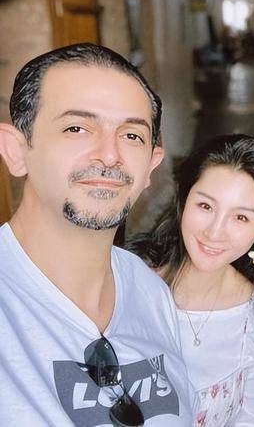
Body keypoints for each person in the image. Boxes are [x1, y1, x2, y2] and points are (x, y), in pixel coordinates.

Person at [0, 43, 193, 425]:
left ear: (151, 165)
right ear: (16, 150)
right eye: (76, 128)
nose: (109, 154)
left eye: (132, 135)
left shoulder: (151, 292)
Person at [127, 134, 254, 426]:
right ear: (184, 200)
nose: (215, 232)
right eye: (206, 206)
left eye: (240, 218)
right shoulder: (129, 282)